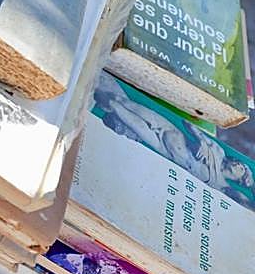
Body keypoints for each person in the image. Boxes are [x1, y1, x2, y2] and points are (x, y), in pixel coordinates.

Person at [94, 73, 255, 210]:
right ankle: (98, 83)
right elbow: (189, 124)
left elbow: (246, 205)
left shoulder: (221, 186)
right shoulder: (218, 152)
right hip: (169, 130)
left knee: (119, 110)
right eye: (240, 164)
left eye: (241, 169)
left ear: (240, 180)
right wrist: (200, 139)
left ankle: (101, 98)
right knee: (125, 102)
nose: (238, 165)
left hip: (163, 147)